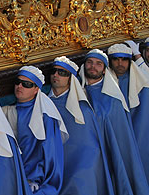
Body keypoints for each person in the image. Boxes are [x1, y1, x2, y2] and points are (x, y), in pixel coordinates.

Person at [80, 49, 149, 195]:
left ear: (105, 70)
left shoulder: (113, 100)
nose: (93, 66)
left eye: (99, 64)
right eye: (90, 62)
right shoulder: (77, 94)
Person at [47, 57, 114, 195]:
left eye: (62, 73)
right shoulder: (44, 105)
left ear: (70, 79)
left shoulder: (82, 109)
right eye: (54, 71)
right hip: (54, 167)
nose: (56, 75)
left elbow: (90, 146)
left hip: (80, 169)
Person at [2, 66, 67, 195]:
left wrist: (37, 178)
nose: (19, 86)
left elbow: (50, 153)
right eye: (17, 82)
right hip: (13, 178)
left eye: (26, 84)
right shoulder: (8, 110)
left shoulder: (46, 115)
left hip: (37, 183)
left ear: (36, 89)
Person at [107, 43, 149, 177]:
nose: (120, 63)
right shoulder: (106, 84)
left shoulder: (142, 86)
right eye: (116, 59)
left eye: (124, 59)